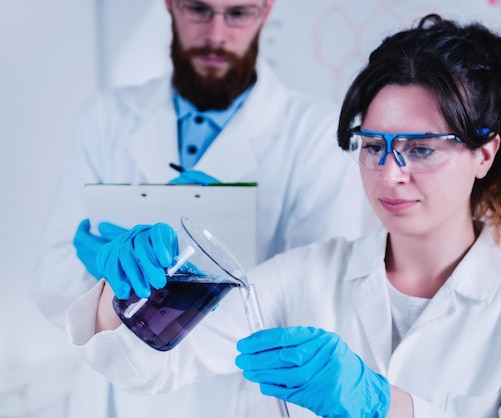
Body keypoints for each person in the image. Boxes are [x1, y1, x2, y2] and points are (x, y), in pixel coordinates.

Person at [64, 13, 501, 418]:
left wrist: (388, 408)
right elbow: (149, 367)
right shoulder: (304, 276)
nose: (389, 174)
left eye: (421, 149)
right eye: (373, 146)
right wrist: (125, 290)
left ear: (484, 153)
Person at [32, 0, 375, 417]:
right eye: (198, 9)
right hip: (120, 398)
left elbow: (319, 300)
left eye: (238, 12)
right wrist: (108, 272)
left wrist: (230, 240)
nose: (216, 34)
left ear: (266, 11)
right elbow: (50, 285)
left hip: (236, 399)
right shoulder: (105, 118)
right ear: (170, 5)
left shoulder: (315, 131)